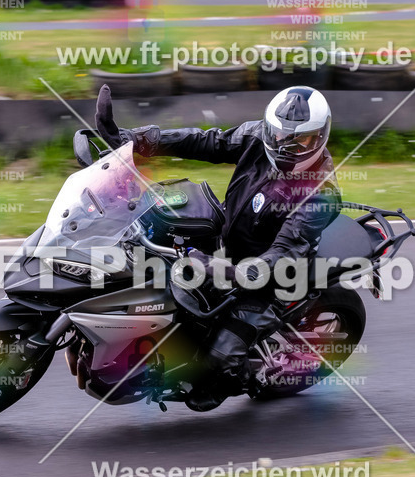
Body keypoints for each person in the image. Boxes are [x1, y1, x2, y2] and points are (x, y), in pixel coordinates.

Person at [94, 84, 341, 411]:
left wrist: (223, 269)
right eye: (280, 134)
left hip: (276, 279)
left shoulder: (321, 193)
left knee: (217, 362)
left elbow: (283, 255)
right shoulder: (258, 136)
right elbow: (205, 141)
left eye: (301, 140)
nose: (285, 145)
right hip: (230, 238)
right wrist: (135, 141)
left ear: (320, 136)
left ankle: (240, 378)